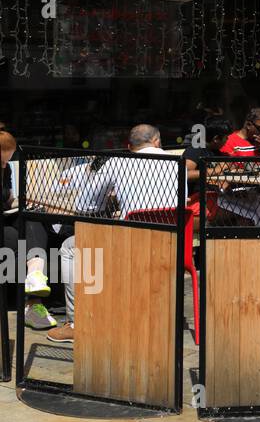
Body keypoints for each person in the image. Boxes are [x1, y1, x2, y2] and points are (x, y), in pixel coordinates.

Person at [52, 124, 180, 343]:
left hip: (132, 243)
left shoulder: (118, 162)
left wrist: (110, 200)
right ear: (158, 141)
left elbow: (86, 205)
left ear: (129, 146)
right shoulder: (179, 165)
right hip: (172, 242)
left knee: (70, 247)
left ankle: (76, 323)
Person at [1, 130, 59, 331]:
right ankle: (32, 305)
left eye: (8, 160)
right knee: (13, 238)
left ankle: (35, 278)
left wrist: (22, 203)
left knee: (33, 221)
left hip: (7, 216)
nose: (5, 165)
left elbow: (7, 199)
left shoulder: (5, 169)